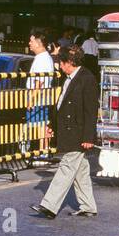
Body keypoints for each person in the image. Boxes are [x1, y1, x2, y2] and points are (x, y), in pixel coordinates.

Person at [30, 46, 99, 219]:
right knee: (80, 170)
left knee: (67, 166)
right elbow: (61, 104)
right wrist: (53, 124)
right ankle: (88, 206)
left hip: (78, 132)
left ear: (70, 62)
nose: (59, 66)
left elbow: (91, 110)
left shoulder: (87, 79)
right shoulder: (68, 77)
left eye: (61, 62)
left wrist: (88, 137)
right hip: (70, 130)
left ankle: (49, 206)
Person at [26, 28, 56, 154]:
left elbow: (39, 82)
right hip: (41, 97)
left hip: (38, 98)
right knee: (41, 125)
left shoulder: (42, 59)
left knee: (40, 126)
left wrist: (31, 100)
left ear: (38, 43)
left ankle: (42, 153)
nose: (29, 43)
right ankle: (43, 151)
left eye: (31, 41)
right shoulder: (43, 57)